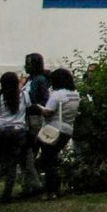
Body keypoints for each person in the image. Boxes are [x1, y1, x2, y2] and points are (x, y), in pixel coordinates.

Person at [34, 67, 80, 200]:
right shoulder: (75, 94)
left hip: (53, 129)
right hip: (67, 130)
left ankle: (50, 190)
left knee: (48, 161)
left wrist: (38, 107)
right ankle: (55, 189)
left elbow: (48, 111)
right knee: (53, 159)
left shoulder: (57, 94)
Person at [0, 72, 31, 201]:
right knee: (12, 163)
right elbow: (28, 110)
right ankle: (7, 193)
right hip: (18, 131)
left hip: (0, 131)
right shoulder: (24, 95)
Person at [21, 53, 50, 196]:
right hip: (26, 118)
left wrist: (34, 106)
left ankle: (34, 184)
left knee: (29, 151)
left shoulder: (40, 80)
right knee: (27, 153)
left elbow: (44, 100)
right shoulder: (29, 79)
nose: (26, 66)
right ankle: (29, 185)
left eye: (28, 63)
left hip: (35, 118)